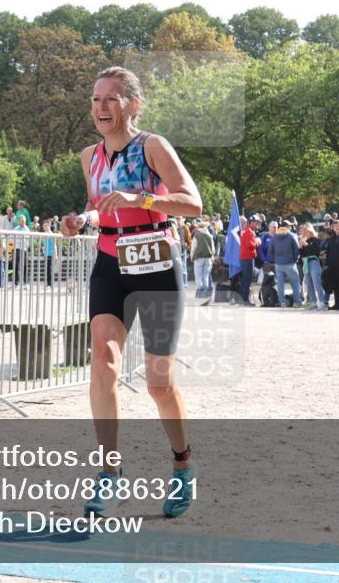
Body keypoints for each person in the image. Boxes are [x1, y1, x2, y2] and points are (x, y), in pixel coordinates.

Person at [60, 66, 201, 519]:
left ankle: (182, 467)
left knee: (159, 382)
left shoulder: (153, 147)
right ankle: (109, 472)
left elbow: (192, 202)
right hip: (110, 264)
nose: (101, 107)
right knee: (103, 362)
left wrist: (142, 199)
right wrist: (82, 220)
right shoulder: (90, 157)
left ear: (132, 105)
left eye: (111, 99)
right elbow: (99, 206)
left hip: (157, 265)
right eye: (96, 99)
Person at [271, 220, 303, 308]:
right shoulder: (292, 235)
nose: (291, 227)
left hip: (278, 263)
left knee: (280, 284)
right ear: (287, 226)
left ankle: (283, 302)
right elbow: (296, 249)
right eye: (289, 226)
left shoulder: (274, 237)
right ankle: (297, 302)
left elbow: (271, 251)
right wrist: (295, 260)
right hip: (290, 263)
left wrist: (276, 259)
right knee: (295, 283)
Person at [299, 222, 327, 310]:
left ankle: (322, 302)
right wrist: (300, 247)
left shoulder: (316, 240)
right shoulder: (305, 240)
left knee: (316, 283)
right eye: (304, 231)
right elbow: (302, 254)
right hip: (306, 262)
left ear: (310, 230)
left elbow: (316, 251)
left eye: (306, 230)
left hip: (314, 261)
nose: (305, 232)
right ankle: (313, 302)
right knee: (309, 284)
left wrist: (306, 245)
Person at [239, 215, 262, 306]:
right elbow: (250, 245)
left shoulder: (245, 230)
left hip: (244, 257)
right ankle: (244, 300)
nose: (257, 224)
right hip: (248, 257)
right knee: (247, 280)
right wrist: (257, 242)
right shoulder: (249, 231)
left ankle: (243, 299)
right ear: (251, 222)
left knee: (245, 279)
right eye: (256, 222)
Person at [191, 219, 215, 299]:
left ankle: (199, 293)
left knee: (198, 275)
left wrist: (191, 256)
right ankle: (205, 293)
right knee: (206, 276)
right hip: (208, 258)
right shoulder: (210, 236)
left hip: (199, 257)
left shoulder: (197, 235)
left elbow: (193, 247)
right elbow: (213, 249)